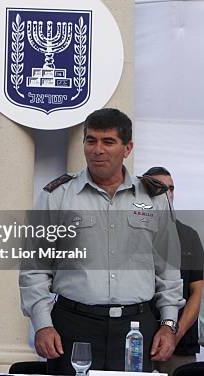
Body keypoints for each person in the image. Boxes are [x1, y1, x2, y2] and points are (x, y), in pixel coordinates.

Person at [19, 108, 184, 373]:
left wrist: (168, 324)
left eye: (108, 142)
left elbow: (168, 269)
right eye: (91, 140)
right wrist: (42, 324)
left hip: (136, 328)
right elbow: (34, 267)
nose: (98, 150)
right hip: (73, 325)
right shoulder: (57, 195)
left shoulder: (154, 198)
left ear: (127, 148)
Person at [144, 167, 203, 375]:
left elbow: (197, 292)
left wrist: (173, 335)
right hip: (136, 343)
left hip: (179, 348)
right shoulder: (130, 233)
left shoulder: (188, 235)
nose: (167, 194)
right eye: (160, 188)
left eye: (171, 188)